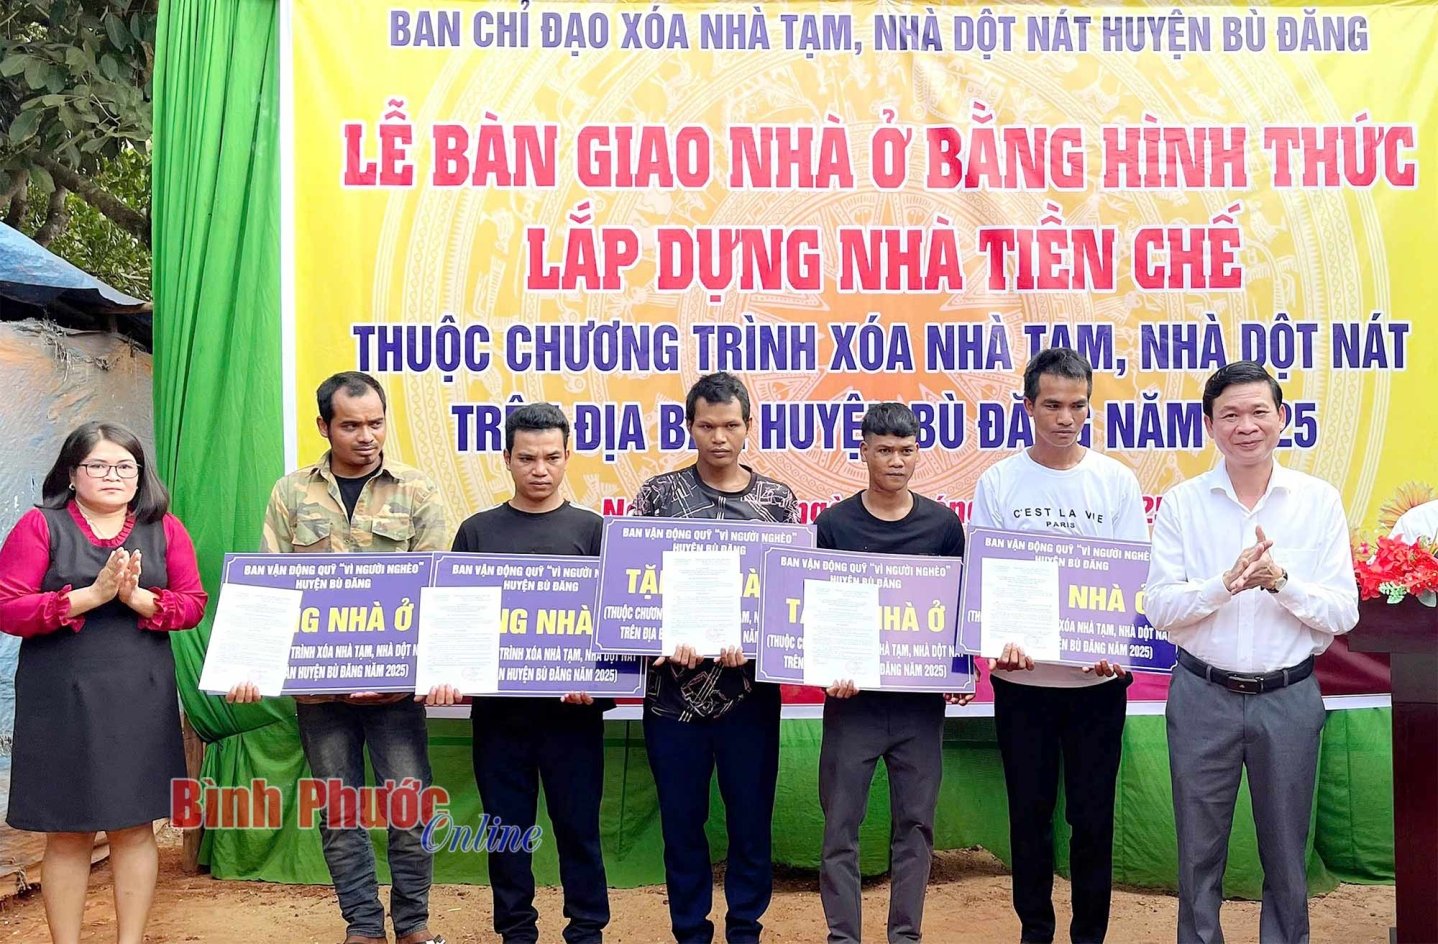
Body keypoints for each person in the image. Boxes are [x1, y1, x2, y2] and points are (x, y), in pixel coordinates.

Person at [229, 371, 451, 944]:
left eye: (376, 423)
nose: (366, 436)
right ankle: (363, 927)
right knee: (338, 812)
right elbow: (270, 587)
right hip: (319, 692)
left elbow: (438, 590)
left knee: (410, 809)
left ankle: (413, 925)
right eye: (351, 425)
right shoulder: (290, 493)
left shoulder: (417, 490)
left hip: (395, 692)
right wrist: (250, 665)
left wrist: (411, 676)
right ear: (323, 426)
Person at [1146, 361, 1358, 944]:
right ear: (1209, 425)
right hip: (1202, 695)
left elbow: (1343, 612)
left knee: (1287, 854)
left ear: (1282, 418)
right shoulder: (1183, 504)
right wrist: (1225, 584)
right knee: (1197, 853)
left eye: (1259, 411)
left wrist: (1280, 583)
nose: (1246, 426)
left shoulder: (1317, 501)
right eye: (1231, 415)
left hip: (1288, 697)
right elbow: (1159, 606)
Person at [0, 421, 208, 944]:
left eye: (125, 466)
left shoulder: (164, 528)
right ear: (72, 473)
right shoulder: (39, 526)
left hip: (140, 693)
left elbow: (192, 604)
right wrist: (90, 596)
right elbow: (8, 607)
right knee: (69, 831)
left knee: (135, 826)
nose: (113, 476)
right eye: (98, 465)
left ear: (140, 475)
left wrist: (137, 598)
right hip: (60, 698)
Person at [968, 348, 1148, 944]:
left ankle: (1089, 935)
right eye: (1052, 405)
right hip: (1023, 685)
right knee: (1029, 818)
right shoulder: (999, 481)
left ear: (1088, 407)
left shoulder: (1115, 481)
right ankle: (1035, 932)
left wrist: (1114, 644)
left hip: (1097, 685)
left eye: (1077, 405)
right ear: (1029, 407)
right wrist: (1001, 641)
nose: (1065, 418)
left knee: (1092, 820)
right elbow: (988, 577)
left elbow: (1130, 580)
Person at [420, 403, 610, 944]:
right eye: (527, 458)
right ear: (506, 458)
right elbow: (455, 620)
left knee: (579, 831)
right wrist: (447, 673)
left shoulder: (594, 531)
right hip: (499, 718)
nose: (540, 469)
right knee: (506, 835)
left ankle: (587, 931)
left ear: (568, 456)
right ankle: (516, 932)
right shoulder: (477, 532)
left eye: (551, 457)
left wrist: (596, 685)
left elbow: (613, 623)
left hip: (573, 718)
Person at [631, 371, 798, 944]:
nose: (719, 437)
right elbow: (633, 588)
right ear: (689, 427)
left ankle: (745, 928)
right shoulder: (657, 498)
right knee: (682, 825)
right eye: (707, 425)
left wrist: (757, 639)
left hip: (749, 697)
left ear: (749, 426)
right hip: (671, 699)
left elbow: (788, 598)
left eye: (730, 425)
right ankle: (689, 930)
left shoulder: (777, 502)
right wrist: (660, 635)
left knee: (750, 822)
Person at [814, 402, 969, 944]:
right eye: (884, 450)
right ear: (864, 452)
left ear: (918, 453)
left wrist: (960, 671)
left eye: (906, 450)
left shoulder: (943, 526)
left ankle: (905, 936)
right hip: (852, 705)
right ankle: (843, 938)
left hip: (918, 709)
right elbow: (817, 612)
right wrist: (828, 668)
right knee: (840, 829)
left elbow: (959, 610)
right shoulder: (833, 524)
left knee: (916, 828)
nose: (896, 461)